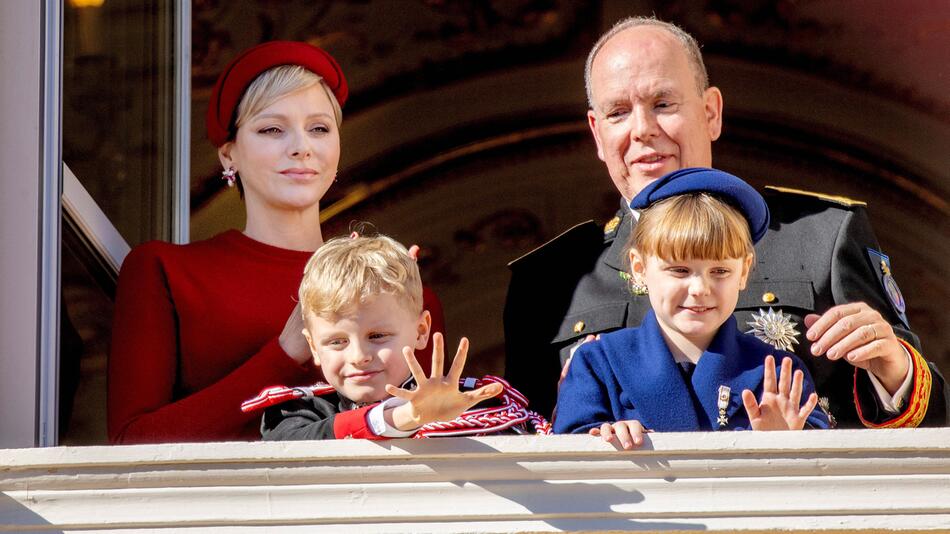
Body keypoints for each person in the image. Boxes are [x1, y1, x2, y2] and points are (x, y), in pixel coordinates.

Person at [505, 17, 948, 428]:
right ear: (597, 133)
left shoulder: (820, 237)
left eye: (662, 103)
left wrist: (894, 368)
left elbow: (933, 428)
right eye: (618, 112)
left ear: (711, 112)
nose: (642, 129)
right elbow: (521, 441)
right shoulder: (549, 279)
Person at [108, 41, 444, 444]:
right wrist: (286, 352)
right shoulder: (165, 270)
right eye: (272, 129)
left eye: (319, 128)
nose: (301, 147)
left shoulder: (401, 289)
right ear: (229, 154)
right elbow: (132, 443)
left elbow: (425, 438)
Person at [554, 168, 830, 447]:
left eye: (720, 271)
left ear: (744, 271)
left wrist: (783, 443)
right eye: (680, 270)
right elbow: (564, 463)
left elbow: (825, 471)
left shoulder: (779, 373)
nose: (700, 289)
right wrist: (607, 438)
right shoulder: (599, 364)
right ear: (639, 268)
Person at [247, 234, 537, 440]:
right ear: (313, 346)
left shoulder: (475, 406)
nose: (359, 356)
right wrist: (402, 418)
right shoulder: (294, 415)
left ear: (421, 331)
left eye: (377, 335)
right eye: (337, 342)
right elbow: (290, 451)